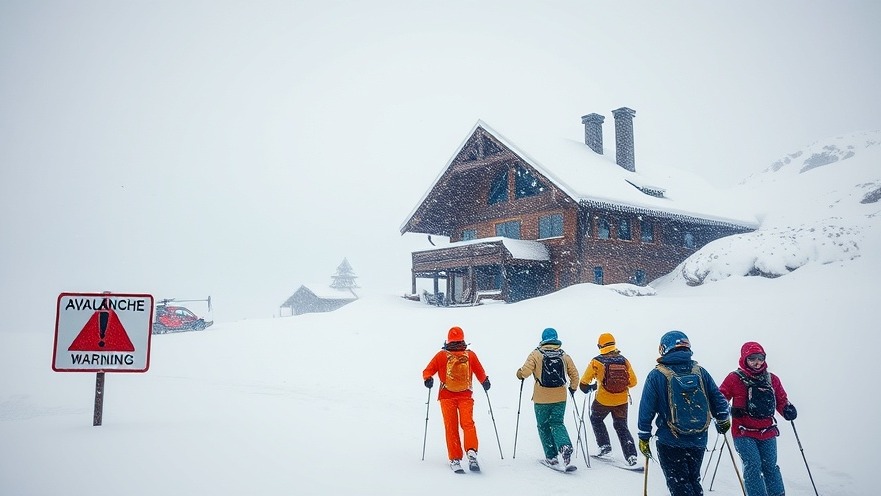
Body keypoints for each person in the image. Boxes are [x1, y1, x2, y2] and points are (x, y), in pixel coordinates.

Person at [637, 330, 730, 496]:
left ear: (663, 348)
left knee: (679, 485)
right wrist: (723, 419)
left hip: (670, 439)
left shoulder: (657, 375)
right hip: (698, 438)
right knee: (693, 480)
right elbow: (719, 400)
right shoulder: (700, 371)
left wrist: (644, 435)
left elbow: (647, 408)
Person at [719, 342, 797, 496]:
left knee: (770, 467)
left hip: (767, 431)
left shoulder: (771, 379)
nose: (757, 362)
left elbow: (781, 400)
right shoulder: (734, 378)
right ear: (744, 359)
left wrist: (787, 409)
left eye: (760, 358)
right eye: (752, 358)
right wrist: (726, 412)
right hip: (743, 432)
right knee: (753, 466)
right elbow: (720, 399)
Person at [422, 326, 490, 473]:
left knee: (451, 427)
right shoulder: (470, 355)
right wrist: (485, 381)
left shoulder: (441, 355)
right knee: (468, 424)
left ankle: (455, 458)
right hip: (466, 395)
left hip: (446, 396)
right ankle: (471, 450)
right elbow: (480, 371)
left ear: (448, 340)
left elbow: (428, 370)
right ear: (462, 339)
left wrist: (428, 379)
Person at [515, 327, 581, 470]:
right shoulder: (564, 355)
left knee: (544, 426)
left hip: (541, 399)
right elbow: (574, 375)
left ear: (543, 339)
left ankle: (551, 457)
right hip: (560, 397)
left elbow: (525, 372)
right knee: (557, 423)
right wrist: (573, 388)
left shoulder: (536, 354)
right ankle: (564, 446)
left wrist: (519, 374)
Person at [578, 332, 639, 466]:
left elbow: (583, 384)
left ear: (600, 345)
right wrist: (620, 386)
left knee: (596, 419)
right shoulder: (623, 360)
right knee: (622, 426)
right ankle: (631, 456)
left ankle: (605, 446)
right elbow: (634, 381)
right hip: (622, 401)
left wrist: (594, 386)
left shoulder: (597, 361)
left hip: (603, 400)